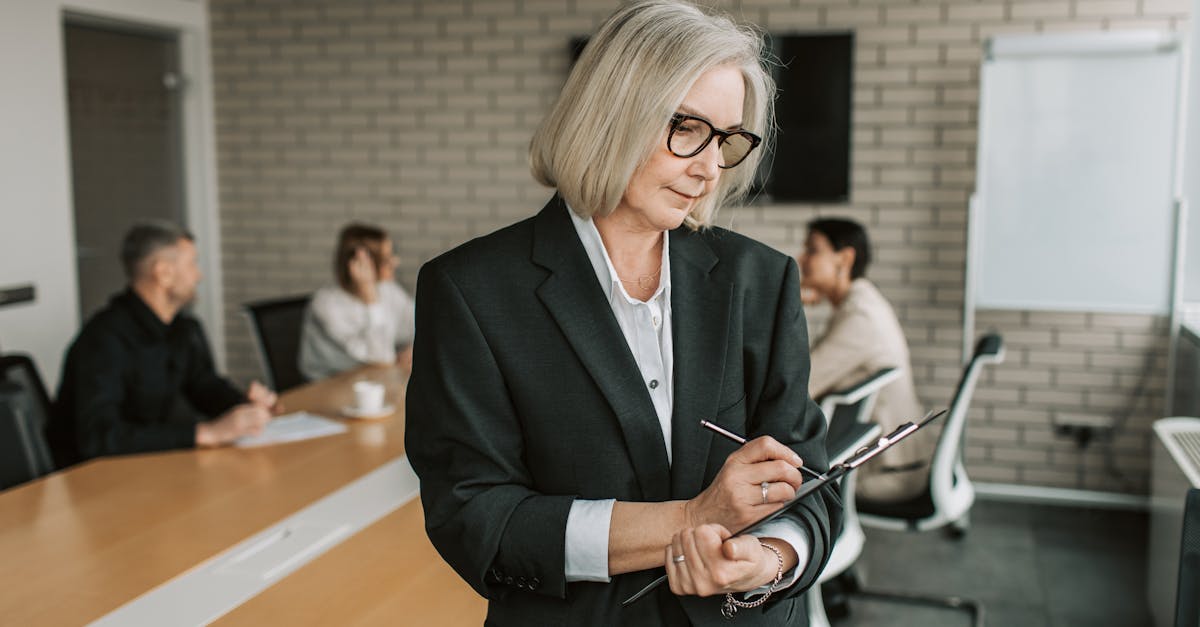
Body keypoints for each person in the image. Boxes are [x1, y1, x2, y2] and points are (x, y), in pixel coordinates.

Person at [404, 2, 839, 625]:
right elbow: (473, 515)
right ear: (612, 114)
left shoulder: (762, 279)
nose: (710, 168)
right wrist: (689, 521)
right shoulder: (471, 290)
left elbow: (812, 481)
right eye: (686, 128)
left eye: (728, 140)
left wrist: (768, 559)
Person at [48, 222, 280, 468]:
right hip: (90, 480)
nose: (198, 275)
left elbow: (204, 386)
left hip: (148, 465)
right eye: (192, 264)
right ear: (164, 273)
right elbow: (99, 437)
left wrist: (245, 408)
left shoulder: (184, 328)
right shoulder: (104, 338)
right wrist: (204, 433)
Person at [797, 218, 932, 503]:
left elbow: (801, 386)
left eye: (813, 250)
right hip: (888, 465)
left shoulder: (860, 316)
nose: (802, 258)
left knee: (776, 496)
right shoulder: (861, 302)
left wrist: (788, 308)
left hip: (888, 475)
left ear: (844, 258)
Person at [298, 223, 415, 381]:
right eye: (386, 258)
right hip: (329, 385)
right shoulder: (327, 304)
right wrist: (370, 298)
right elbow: (382, 359)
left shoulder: (388, 290)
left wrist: (414, 348)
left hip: (372, 379)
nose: (395, 261)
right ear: (361, 264)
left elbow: (420, 323)